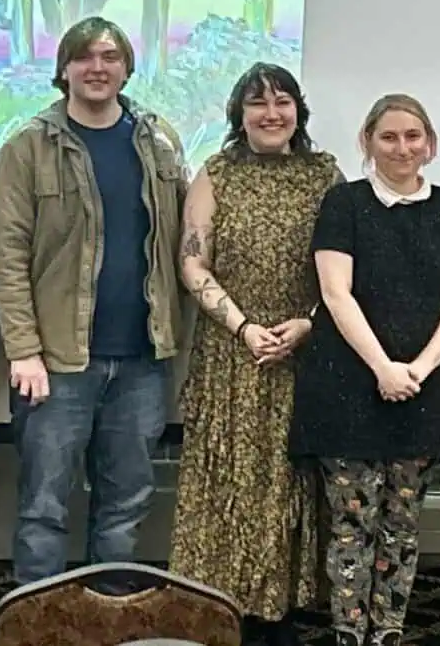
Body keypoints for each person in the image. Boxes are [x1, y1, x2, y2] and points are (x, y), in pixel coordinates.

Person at [0, 17, 188, 585]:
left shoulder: (158, 141)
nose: (97, 68)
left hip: (142, 361)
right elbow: (6, 257)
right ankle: (38, 622)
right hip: (56, 363)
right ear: (65, 70)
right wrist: (23, 351)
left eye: (110, 57)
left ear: (126, 68)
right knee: (44, 509)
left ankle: (108, 624)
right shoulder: (28, 147)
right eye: (84, 58)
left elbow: (184, 239)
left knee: (125, 507)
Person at [293, 94, 440, 646]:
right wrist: (383, 367)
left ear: (431, 144)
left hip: (423, 386)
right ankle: (350, 633)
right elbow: (334, 292)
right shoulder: (343, 203)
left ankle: (389, 632)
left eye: (413, 136)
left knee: (402, 525)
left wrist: (418, 368)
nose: (402, 148)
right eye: (389, 137)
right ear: (367, 143)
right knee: (352, 527)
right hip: (350, 386)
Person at [171, 63, 342, 646]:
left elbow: (346, 267)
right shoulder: (216, 173)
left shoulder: (325, 175)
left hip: (300, 351)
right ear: (238, 115)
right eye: (257, 103)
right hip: (230, 354)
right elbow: (192, 262)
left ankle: (279, 612)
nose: (272, 113)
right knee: (226, 483)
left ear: (300, 109)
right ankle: (222, 610)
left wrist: (308, 325)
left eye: (283, 101)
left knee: (287, 485)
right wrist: (243, 326)